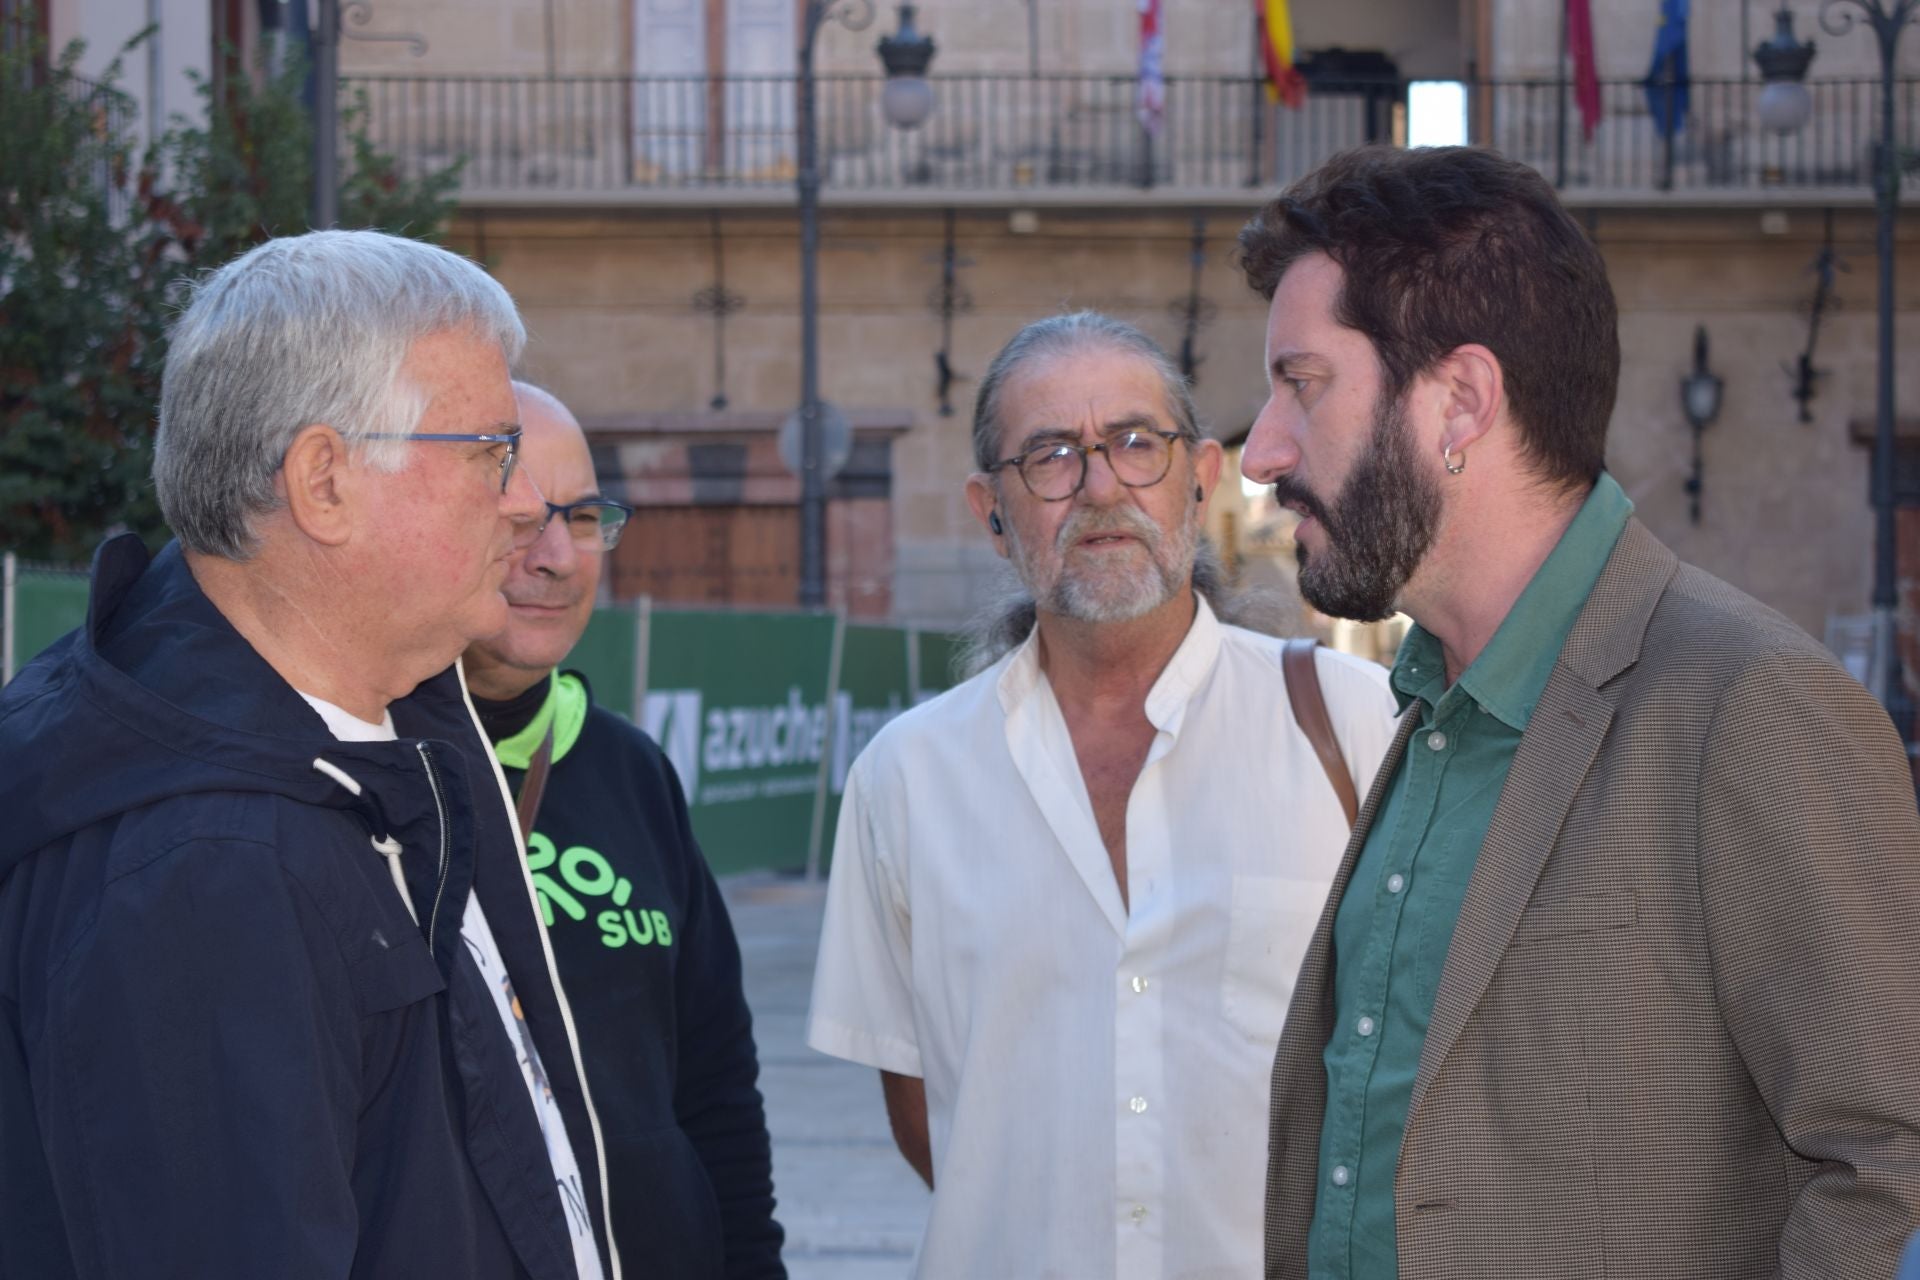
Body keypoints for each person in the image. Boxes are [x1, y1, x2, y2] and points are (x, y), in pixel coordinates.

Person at [1238, 145, 1920, 1279]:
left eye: (1302, 383)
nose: (1260, 452)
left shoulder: (1751, 704)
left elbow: (1893, 1166)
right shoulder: (1434, 710)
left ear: (1461, 401)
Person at [0, 230, 619, 1280]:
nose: (524, 504)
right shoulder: (205, 866)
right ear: (324, 482)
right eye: (492, 453)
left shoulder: (386, 731)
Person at [807, 312, 1399, 1278]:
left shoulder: (1355, 724)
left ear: (1200, 477)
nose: (1100, 486)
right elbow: (928, 1116)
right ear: (991, 512)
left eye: (1135, 443)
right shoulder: (904, 779)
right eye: (1049, 456)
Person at [462, 382, 786, 1279]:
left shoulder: (632, 771)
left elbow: (716, 1085)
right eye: (519, 519)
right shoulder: (369, 768)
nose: (557, 557)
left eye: (581, 517)